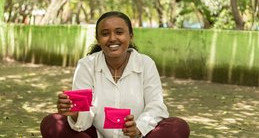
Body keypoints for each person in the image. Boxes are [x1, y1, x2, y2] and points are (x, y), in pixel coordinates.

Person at [40, 11, 190, 138]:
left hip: (137, 135)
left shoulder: (145, 63)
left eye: (119, 32)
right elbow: (84, 113)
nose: (112, 38)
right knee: (52, 122)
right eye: (105, 34)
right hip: (96, 134)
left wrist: (138, 128)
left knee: (178, 126)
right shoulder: (86, 65)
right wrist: (74, 114)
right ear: (98, 40)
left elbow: (156, 106)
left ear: (130, 35)